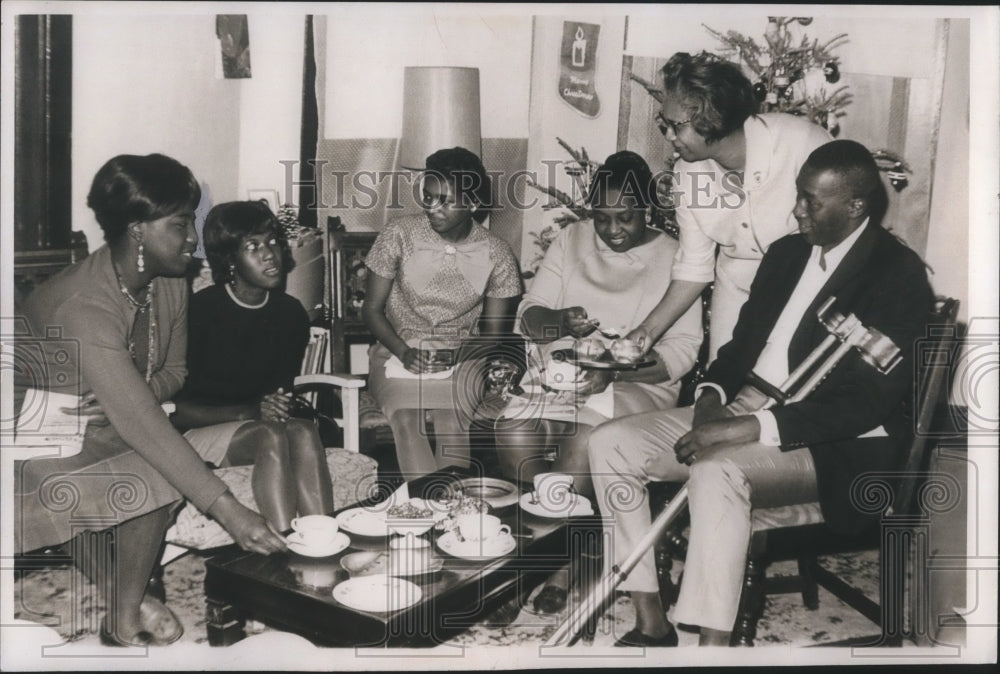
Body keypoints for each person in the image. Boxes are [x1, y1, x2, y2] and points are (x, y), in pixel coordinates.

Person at [589, 140, 934, 647]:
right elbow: (737, 349)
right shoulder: (787, 252)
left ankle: (711, 652)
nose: (796, 209)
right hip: (748, 404)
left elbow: (866, 403)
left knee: (716, 469)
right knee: (610, 444)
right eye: (798, 194)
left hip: (834, 442)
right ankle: (651, 620)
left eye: (811, 201)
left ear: (856, 205)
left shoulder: (896, 275)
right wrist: (710, 399)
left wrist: (748, 428)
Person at [14, 154, 286, 648]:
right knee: (150, 463)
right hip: (30, 424)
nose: (192, 238)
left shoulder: (171, 283)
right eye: (181, 224)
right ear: (138, 230)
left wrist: (129, 395)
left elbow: (173, 375)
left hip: (98, 417)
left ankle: (121, 617)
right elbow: (141, 422)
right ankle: (127, 604)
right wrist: (228, 511)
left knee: (160, 468)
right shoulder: (85, 306)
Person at [494, 151, 702, 613]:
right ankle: (536, 552)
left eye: (625, 217)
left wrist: (613, 368)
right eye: (602, 217)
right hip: (557, 377)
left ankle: (560, 568)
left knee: (582, 440)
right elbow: (528, 320)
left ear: (648, 208)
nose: (611, 230)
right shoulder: (571, 240)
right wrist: (562, 320)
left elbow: (683, 352)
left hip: (637, 385)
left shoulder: (676, 255)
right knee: (512, 434)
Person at [629, 51, 831, 363]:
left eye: (675, 125)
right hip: (736, 290)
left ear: (711, 117)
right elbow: (694, 266)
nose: (668, 135)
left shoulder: (803, 143)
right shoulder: (687, 173)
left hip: (807, 289)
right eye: (664, 124)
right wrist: (644, 334)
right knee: (720, 389)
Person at [170, 200, 334, 531]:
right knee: (270, 435)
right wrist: (250, 411)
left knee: (303, 430)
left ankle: (322, 541)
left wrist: (267, 409)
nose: (269, 254)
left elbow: (277, 396)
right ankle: (281, 548)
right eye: (253, 246)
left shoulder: (290, 314)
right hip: (195, 433)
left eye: (273, 241)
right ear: (230, 258)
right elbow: (174, 410)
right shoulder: (199, 313)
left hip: (252, 426)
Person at [362, 147, 522, 477]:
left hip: (464, 356)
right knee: (407, 419)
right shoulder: (399, 234)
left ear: (474, 204)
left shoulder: (498, 254)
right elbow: (372, 311)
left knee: (451, 420)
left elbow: (494, 336)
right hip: (396, 352)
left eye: (446, 201)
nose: (433, 208)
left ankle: (451, 514)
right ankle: (426, 510)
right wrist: (405, 353)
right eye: (428, 197)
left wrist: (456, 355)